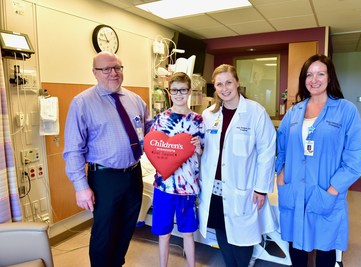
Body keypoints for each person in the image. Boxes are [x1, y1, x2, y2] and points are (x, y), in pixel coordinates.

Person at [275, 54, 361, 267]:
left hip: (325, 190)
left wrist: (334, 189)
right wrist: (281, 176)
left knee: (325, 247)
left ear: (329, 77)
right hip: (294, 190)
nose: (314, 79)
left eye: (320, 74)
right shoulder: (294, 112)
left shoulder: (346, 110)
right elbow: (281, 147)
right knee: (296, 247)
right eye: (309, 74)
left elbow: (355, 156)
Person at [63, 51, 153, 267]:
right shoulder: (82, 103)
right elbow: (73, 149)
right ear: (95, 72)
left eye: (118, 68)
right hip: (104, 178)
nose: (113, 73)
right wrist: (80, 186)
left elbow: (151, 131)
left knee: (127, 225)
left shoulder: (135, 100)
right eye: (106, 69)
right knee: (104, 231)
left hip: (133, 173)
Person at [198, 64, 278, 267]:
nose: (224, 88)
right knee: (222, 229)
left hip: (243, 187)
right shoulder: (209, 115)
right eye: (219, 84)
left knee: (243, 237)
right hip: (215, 187)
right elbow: (204, 148)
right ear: (214, 88)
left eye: (228, 82)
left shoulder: (255, 112)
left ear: (237, 83)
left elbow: (267, 152)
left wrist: (261, 188)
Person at [149, 72, 204, 267]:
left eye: (182, 90)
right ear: (169, 92)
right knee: (164, 233)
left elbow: (203, 154)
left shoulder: (197, 120)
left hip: (187, 187)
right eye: (174, 90)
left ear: (189, 91)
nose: (178, 94)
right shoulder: (160, 119)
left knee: (188, 232)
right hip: (164, 186)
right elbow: (152, 148)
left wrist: (198, 149)